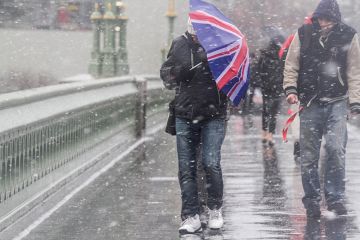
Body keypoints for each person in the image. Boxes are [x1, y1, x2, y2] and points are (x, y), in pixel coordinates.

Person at [283, 0, 360, 218]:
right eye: (320, 18)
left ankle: (335, 198)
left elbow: (355, 71)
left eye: (328, 19)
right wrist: (290, 89)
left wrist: (355, 100)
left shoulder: (348, 35)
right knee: (308, 156)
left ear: (336, 20)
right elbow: (291, 65)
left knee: (336, 149)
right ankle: (312, 201)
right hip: (310, 103)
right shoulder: (304, 34)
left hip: (337, 101)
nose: (323, 23)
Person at [160, 19, 228, 234]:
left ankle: (215, 208)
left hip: (213, 114)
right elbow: (166, 74)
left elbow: (231, 77)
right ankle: (191, 215)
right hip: (184, 113)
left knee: (210, 162)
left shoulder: (220, 46)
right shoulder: (179, 44)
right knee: (186, 168)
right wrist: (180, 71)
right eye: (194, 32)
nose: (198, 36)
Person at [258, 34, 285, 146]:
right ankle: (270, 135)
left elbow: (258, 70)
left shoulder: (264, 55)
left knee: (265, 110)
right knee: (274, 112)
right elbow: (285, 71)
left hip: (267, 87)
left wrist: (262, 83)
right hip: (277, 86)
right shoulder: (282, 55)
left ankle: (264, 132)